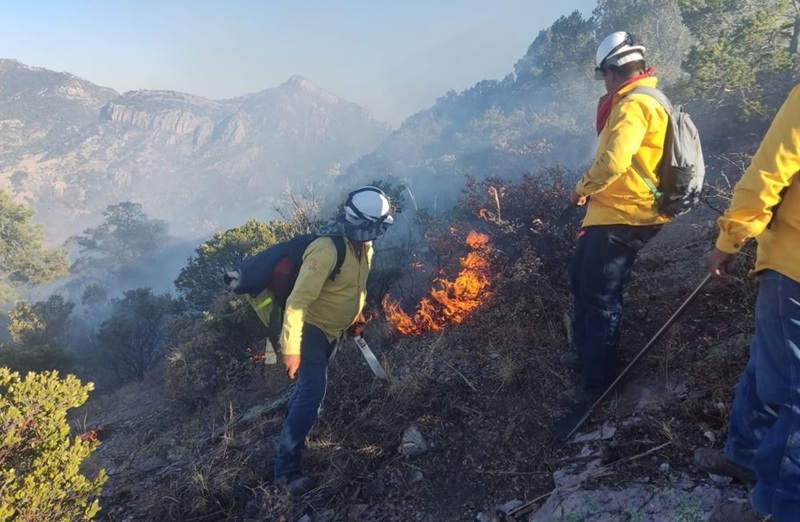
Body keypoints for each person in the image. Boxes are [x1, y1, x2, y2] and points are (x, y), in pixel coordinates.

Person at [693, 85, 800, 522]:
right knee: (768, 363)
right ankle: (745, 454)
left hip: (794, 267)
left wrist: (730, 238)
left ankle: (778, 506)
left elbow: (769, 171)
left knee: (794, 394)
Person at [559, 31, 671, 406]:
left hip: (625, 215)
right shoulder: (637, 99)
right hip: (611, 212)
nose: (602, 83)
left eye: (602, 75)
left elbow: (613, 162)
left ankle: (599, 384)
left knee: (602, 295)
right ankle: (587, 355)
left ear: (611, 71)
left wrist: (580, 189)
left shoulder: (633, 105)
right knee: (579, 277)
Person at [273, 186, 393, 495]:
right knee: (313, 390)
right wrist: (291, 348)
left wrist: (355, 318)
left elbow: (355, 287)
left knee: (306, 391)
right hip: (310, 329)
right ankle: (285, 473)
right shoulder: (326, 249)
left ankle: (291, 431)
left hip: (333, 331)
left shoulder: (364, 248)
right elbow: (298, 301)